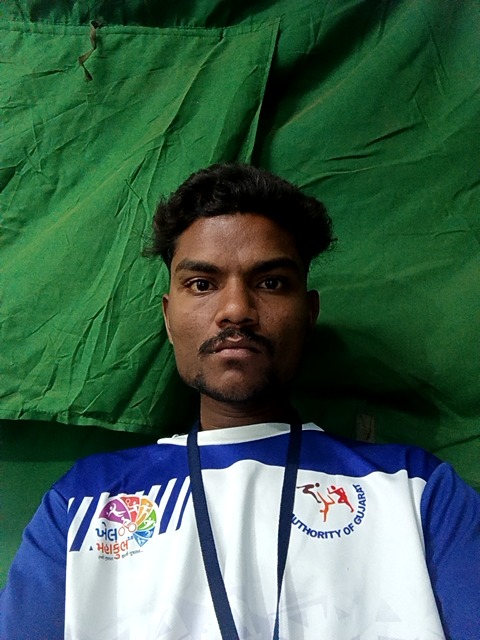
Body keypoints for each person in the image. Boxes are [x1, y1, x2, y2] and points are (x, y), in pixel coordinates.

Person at [0, 163, 479, 640]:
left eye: (271, 282)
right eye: (202, 284)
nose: (235, 310)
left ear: (309, 313)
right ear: (168, 318)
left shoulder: (417, 492)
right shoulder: (84, 502)